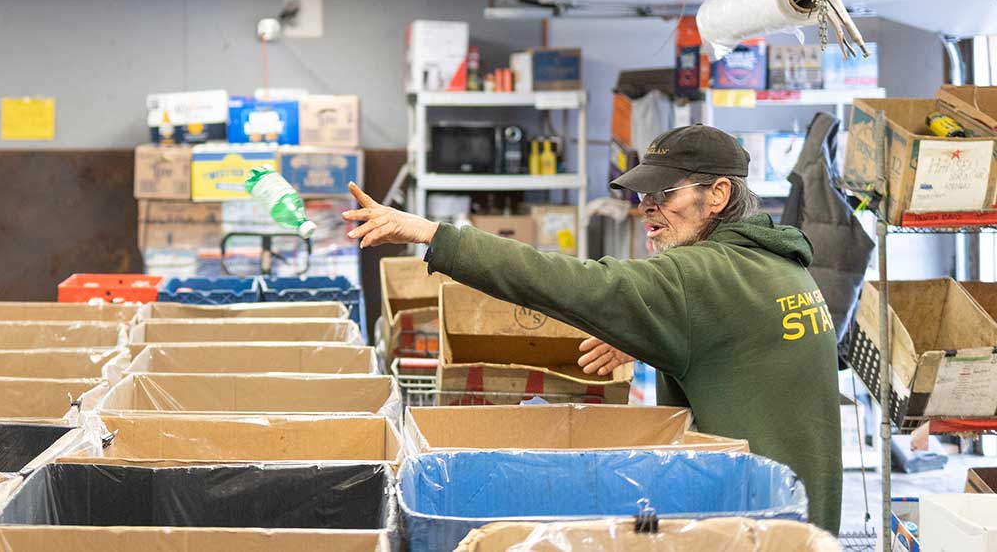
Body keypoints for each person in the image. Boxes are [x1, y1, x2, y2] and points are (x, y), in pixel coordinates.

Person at [344, 123, 842, 533]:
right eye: (643, 194)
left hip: (754, 526)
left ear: (717, 194)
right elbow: (744, 350)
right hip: (802, 517)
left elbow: (569, 284)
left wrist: (434, 236)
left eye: (664, 193)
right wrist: (656, 339)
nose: (645, 207)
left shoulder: (700, 276)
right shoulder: (779, 266)